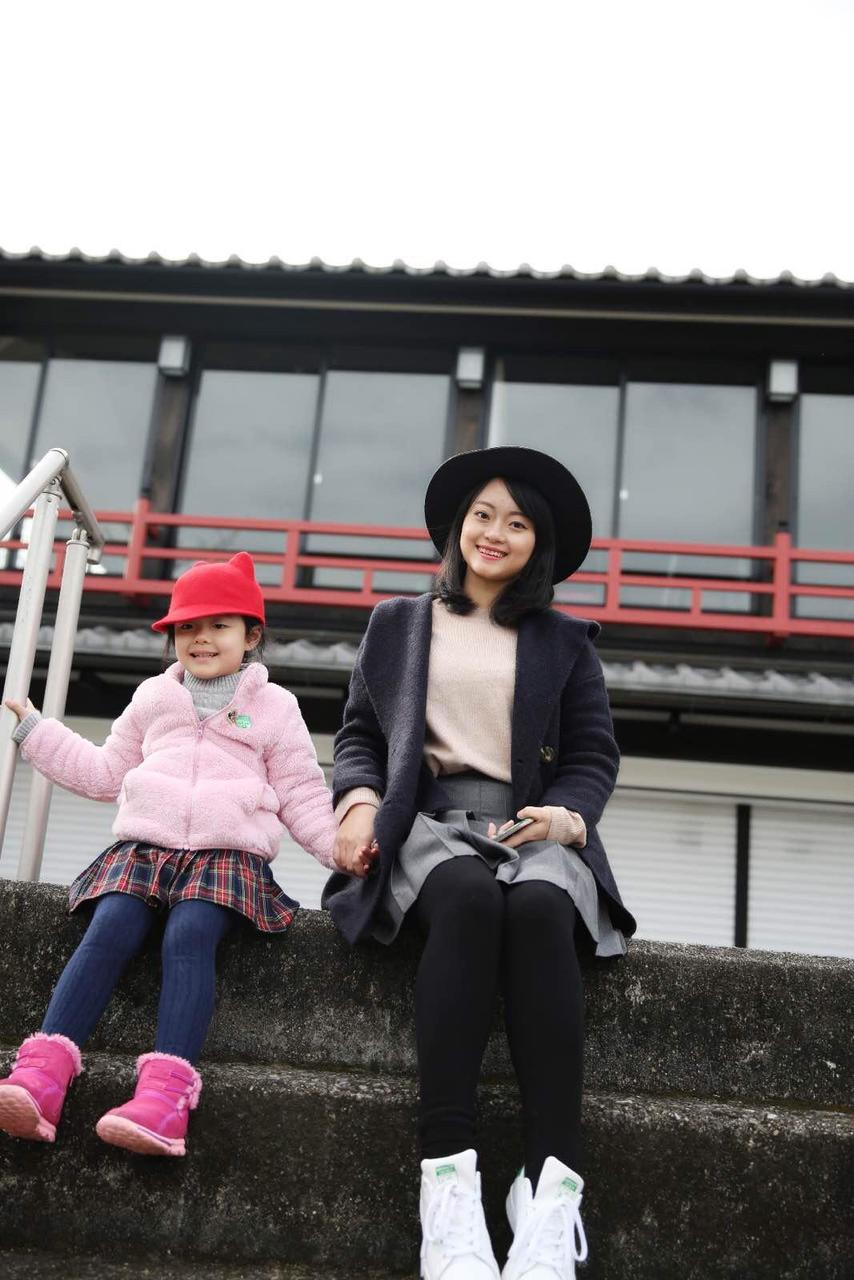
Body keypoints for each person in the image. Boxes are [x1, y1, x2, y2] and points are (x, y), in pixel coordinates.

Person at [326, 447, 636, 1280]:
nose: (495, 533)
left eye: (519, 523)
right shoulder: (399, 623)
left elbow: (593, 755)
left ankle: (548, 1190)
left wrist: (569, 819)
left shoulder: (566, 641)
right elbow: (359, 734)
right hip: (430, 822)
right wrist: (357, 806)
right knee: (465, 899)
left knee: (538, 911)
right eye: (484, 515)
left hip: (534, 828)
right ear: (458, 526)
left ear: (540, 544)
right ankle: (449, 1183)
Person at [0, 552, 337, 1157]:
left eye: (218, 626)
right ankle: (42, 1075)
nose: (201, 639)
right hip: (145, 845)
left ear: (252, 636)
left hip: (225, 853)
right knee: (111, 925)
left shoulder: (275, 706)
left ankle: (165, 1098)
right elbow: (107, 772)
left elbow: (300, 791)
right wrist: (38, 731)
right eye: (187, 627)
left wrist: (343, 848)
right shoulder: (154, 696)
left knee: (189, 934)